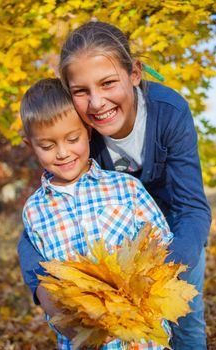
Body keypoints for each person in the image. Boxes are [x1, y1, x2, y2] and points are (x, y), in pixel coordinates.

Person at [18, 22, 211, 350]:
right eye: (81, 91)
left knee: (186, 326)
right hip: (112, 253)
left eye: (108, 83)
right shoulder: (77, 132)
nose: (96, 103)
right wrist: (42, 288)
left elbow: (192, 208)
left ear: (134, 72)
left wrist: (155, 278)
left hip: (175, 241)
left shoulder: (168, 112)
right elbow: (35, 228)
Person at [20, 77, 172, 350]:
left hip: (140, 337)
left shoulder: (125, 188)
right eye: (47, 146)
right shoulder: (34, 211)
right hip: (83, 340)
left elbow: (161, 246)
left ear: (88, 131)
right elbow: (46, 280)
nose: (63, 152)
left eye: (72, 138)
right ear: (30, 146)